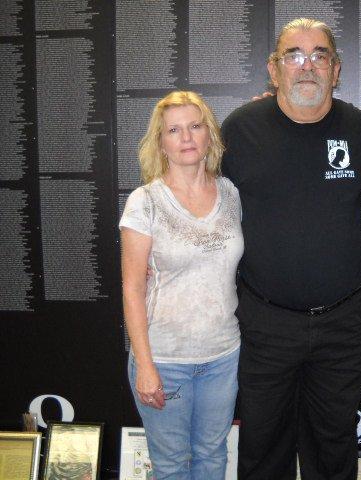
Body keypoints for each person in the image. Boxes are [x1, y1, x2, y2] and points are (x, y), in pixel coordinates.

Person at [221, 18, 361, 480]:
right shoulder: (241, 130)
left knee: (333, 445)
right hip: (266, 323)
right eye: (294, 55)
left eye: (320, 55)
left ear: (336, 70)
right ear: (274, 69)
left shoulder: (359, 131)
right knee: (263, 446)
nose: (308, 66)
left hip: (341, 326)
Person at [119, 91, 243, 480]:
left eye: (195, 126)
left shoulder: (231, 194)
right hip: (166, 359)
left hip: (223, 355)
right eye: (173, 130)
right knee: (172, 467)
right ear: (161, 142)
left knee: (212, 457)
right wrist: (145, 367)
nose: (186, 137)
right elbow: (132, 288)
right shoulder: (145, 203)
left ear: (210, 135)